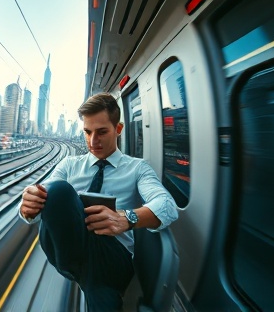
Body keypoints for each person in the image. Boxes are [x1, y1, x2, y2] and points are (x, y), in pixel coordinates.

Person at [18, 92, 178, 311]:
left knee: (98, 286)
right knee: (57, 191)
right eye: (87, 132)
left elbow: (167, 205)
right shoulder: (69, 165)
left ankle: (89, 281)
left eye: (102, 132)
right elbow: (43, 197)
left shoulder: (137, 168)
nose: (93, 141)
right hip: (70, 251)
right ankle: (92, 284)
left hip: (113, 256)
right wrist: (28, 206)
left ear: (118, 129)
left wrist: (127, 218)